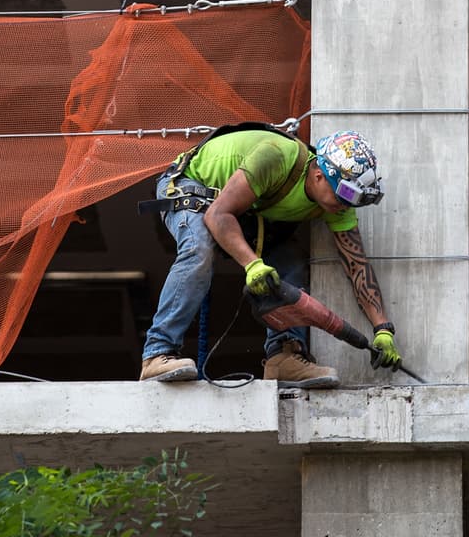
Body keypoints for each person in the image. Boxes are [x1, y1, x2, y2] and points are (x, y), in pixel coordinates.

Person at [138, 127, 401, 388]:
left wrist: (382, 328)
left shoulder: (338, 206)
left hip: (246, 210)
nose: (346, 205)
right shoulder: (275, 157)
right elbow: (217, 216)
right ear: (320, 175)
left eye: (355, 200)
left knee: (291, 263)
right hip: (192, 186)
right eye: (345, 195)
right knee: (199, 249)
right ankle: (156, 352)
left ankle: (283, 357)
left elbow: (357, 266)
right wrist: (252, 264)